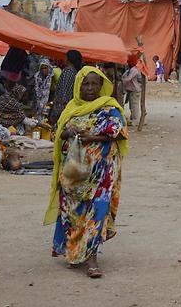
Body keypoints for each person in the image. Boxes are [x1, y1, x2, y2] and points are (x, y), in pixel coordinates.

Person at [45, 67, 129, 279]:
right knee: (74, 214)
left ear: (101, 86)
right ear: (78, 86)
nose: (90, 88)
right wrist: (69, 132)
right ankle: (74, 252)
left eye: (94, 84)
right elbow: (60, 133)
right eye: (86, 84)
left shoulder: (109, 108)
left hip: (101, 174)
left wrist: (91, 138)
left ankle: (92, 259)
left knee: (97, 212)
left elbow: (117, 132)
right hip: (74, 174)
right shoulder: (71, 108)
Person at [50, 50, 82, 127]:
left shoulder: (68, 72)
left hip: (63, 110)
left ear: (69, 59)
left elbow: (65, 94)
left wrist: (59, 112)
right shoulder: (74, 72)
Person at [121, 61, 141, 126]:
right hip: (130, 90)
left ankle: (136, 120)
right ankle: (133, 118)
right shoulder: (129, 70)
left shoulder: (134, 70)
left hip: (135, 90)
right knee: (131, 106)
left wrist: (122, 80)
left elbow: (128, 79)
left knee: (134, 105)